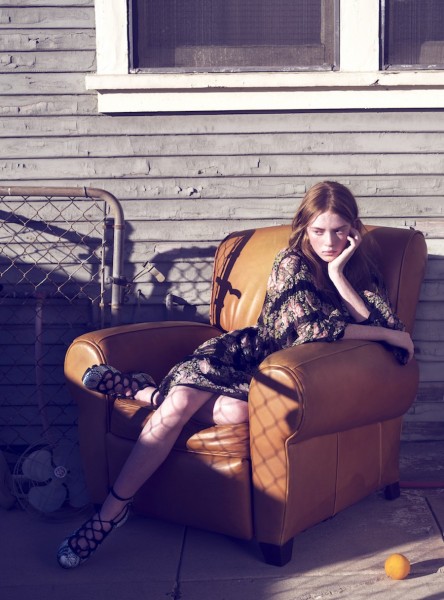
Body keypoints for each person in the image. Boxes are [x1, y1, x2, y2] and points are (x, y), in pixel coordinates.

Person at [57, 181, 414, 568]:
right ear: (304, 227)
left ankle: (146, 393)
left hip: (278, 379)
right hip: (244, 357)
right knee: (181, 402)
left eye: (339, 230)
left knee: (242, 413)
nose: (329, 241)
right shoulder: (290, 261)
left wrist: (339, 274)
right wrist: (386, 334)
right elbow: (312, 331)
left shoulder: (360, 268)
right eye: (318, 231)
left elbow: (384, 324)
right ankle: (108, 516)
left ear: (353, 229)